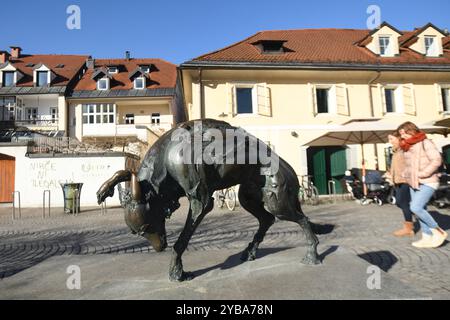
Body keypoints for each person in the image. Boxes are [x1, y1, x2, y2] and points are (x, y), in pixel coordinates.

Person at [398, 121, 448, 248]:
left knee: (415, 207)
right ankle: (427, 237)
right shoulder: (407, 146)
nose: (402, 136)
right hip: (413, 181)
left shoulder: (426, 142)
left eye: (403, 133)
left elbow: (436, 160)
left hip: (428, 181)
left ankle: (438, 231)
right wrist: (406, 173)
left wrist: (423, 173)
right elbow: (409, 164)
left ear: (411, 131)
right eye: (400, 134)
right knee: (421, 209)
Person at [387, 132, 415, 237]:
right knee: (400, 203)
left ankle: (409, 228)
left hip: (405, 181)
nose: (390, 141)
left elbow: (410, 164)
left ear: (399, 139)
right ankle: (411, 218)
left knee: (402, 203)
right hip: (397, 181)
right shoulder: (396, 151)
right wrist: (390, 173)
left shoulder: (404, 150)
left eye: (391, 138)